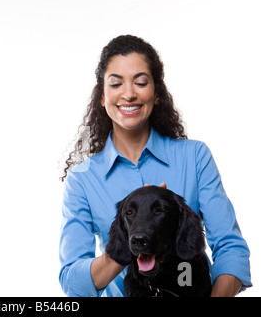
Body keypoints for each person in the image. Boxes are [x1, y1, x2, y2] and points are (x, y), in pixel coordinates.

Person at [59, 35, 251, 297]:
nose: (128, 93)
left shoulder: (194, 156)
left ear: (157, 93)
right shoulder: (82, 179)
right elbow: (73, 282)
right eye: (116, 84)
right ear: (102, 97)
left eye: (140, 82)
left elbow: (231, 249)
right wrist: (133, 236)